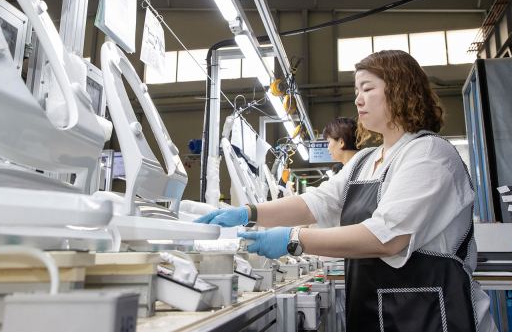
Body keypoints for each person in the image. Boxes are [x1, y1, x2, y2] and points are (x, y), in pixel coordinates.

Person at [195, 50, 495, 331]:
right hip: (373, 307)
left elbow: (387, 236)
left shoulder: (429, 153)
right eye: (356, 92)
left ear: (401, 89)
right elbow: (319, 202)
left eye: (367, 88)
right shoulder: (365, 160)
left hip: (434, 312)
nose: (358, 100)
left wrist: (293, 239)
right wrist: (249, 213)